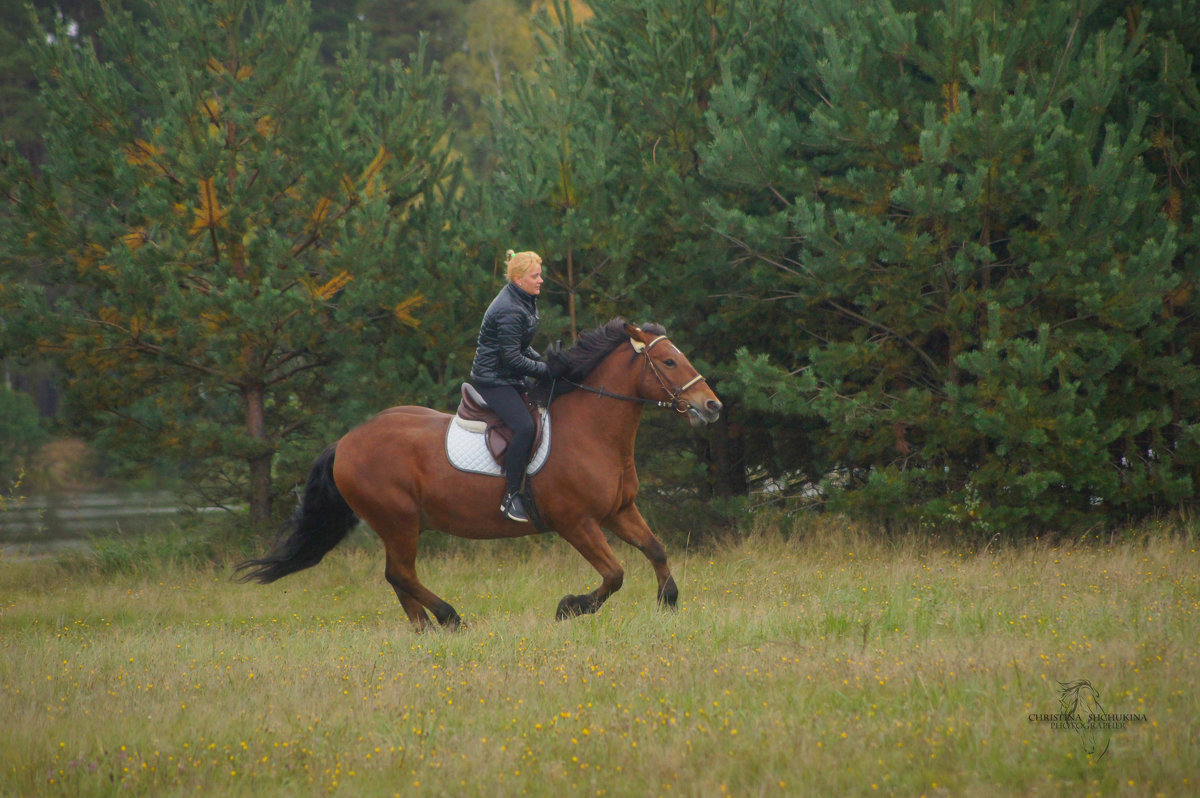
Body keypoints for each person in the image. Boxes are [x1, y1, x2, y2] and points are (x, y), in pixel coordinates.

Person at [469, 249, 550, 522]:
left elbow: (522, 347)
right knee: (525, 427)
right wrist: (544, 370)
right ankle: (512, 495)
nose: (540, 280)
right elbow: (512, 358)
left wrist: (549, 364)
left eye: (540, 275)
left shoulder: (524, 299)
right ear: (518, 280)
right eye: (535, 276)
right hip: (492, 381)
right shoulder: (510, 309)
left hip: (508, 376)